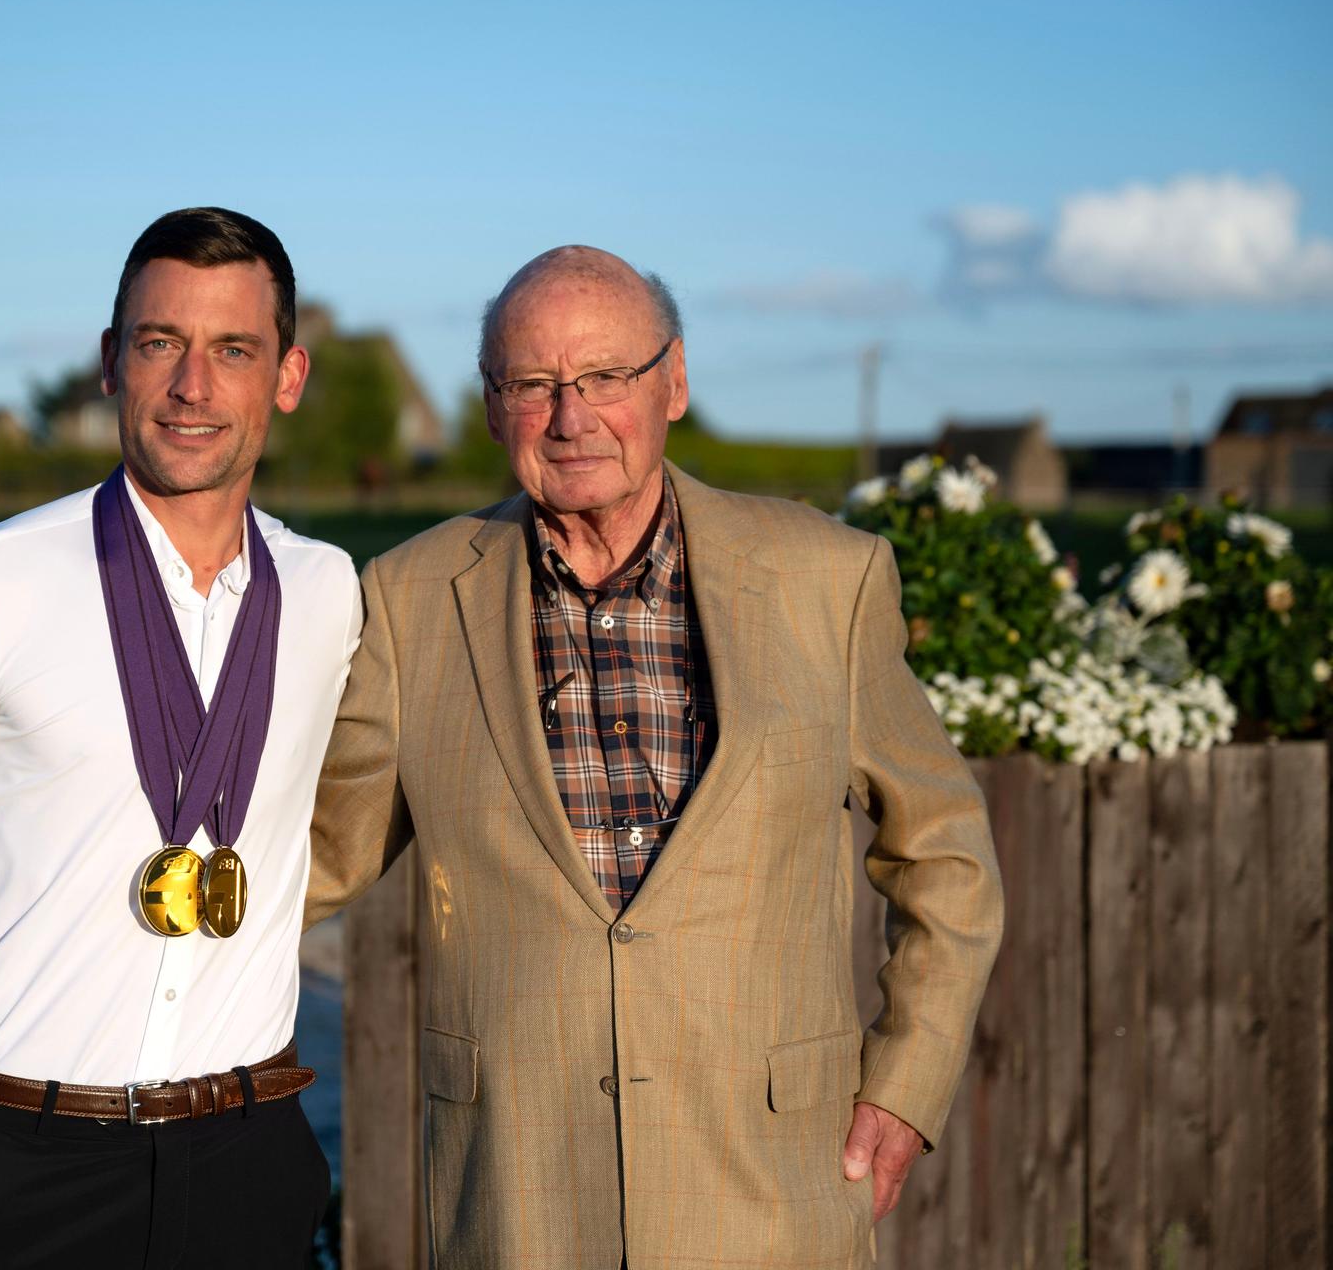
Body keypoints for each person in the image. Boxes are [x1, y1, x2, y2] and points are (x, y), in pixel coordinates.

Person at [301, 246, 1004, 1267]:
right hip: (518, 1199)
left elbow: (948, 856)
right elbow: (315, 856)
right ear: (494, 407)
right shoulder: (410, 601)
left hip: (773, 1193)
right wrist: (74, 923)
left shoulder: (825, 580)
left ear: (674, 381)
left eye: (604, 377)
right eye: (533, 383)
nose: (570, 414)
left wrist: (904, 1084)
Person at [0, 207, 359, 1269]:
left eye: (233, 349)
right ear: (111, 362)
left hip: (250, 1155)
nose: (193, 385)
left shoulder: (329, 591)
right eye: (160, 343)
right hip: (24, 1165)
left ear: (287, 375)